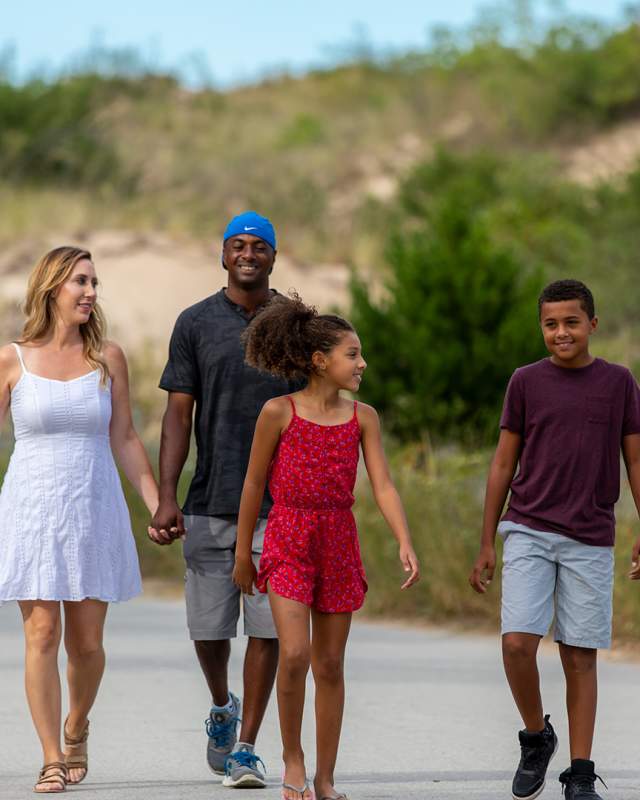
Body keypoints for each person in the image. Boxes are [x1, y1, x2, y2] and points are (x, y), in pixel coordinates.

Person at [232, 292, 420, 800]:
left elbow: (382, 484)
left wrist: (404, 539)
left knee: (330, 664)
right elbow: (253, 484)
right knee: (293, 654)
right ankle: (293, 761)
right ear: (321, 361)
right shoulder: (278, 411)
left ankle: (325, 778)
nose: (362, 363)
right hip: (288, 536)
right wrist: (241, 554)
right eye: (352, 354)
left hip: (338, 540)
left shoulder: (364, 418)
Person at [469, 279, 640, 800]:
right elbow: (503, 463)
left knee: (578, 655)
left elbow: (635, 458)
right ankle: (536, 736)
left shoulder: (619, 383)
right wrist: (486, 542)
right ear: (540, 327)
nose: (560, 332)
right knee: (518, 643)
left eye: (570, 322)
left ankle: (581, 772)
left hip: (590, 536)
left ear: (592, 323)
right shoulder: (525, 382)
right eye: (550, 324)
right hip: (528, 527)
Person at [150, 211, 303, 789]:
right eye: (237, 245)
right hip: (211, 499)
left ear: (272, 256)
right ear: (222, 256)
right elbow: (177, 414)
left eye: (258, 246)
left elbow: (315, 409)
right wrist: (168, 495)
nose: (247, 254)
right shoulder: (194, 323)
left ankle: (246, 747)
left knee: (268, 630)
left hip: (280, 507)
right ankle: (222, 705)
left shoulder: (293, 323)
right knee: (209, 630)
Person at [0, 246, 158, 793]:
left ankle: (76, 726)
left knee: (86, 644)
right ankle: (49, 756)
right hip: (31, 506)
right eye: (80, 282)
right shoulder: (11, 359)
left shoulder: (108, 358)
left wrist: (157, 499)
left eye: (94, 282)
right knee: (41, 632)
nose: (91, 292)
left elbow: (125, 437)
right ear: (51, 289)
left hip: (92, 503)